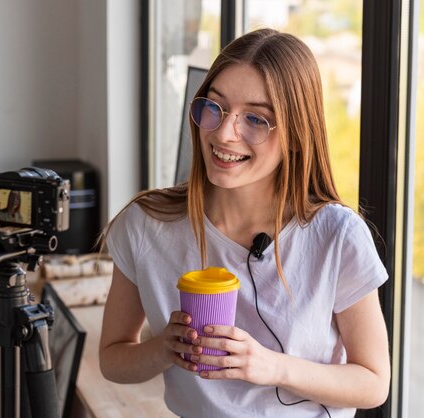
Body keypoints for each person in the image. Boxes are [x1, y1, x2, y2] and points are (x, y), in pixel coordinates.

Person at [98, 28, 390, 418]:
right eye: (214, 107)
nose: (223, 132)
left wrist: (271, 367)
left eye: (255, 118)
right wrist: (162, 349)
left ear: (297, 135)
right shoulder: (146, 225)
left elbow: (373, 383)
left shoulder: (337, 235)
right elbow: (113, 359)